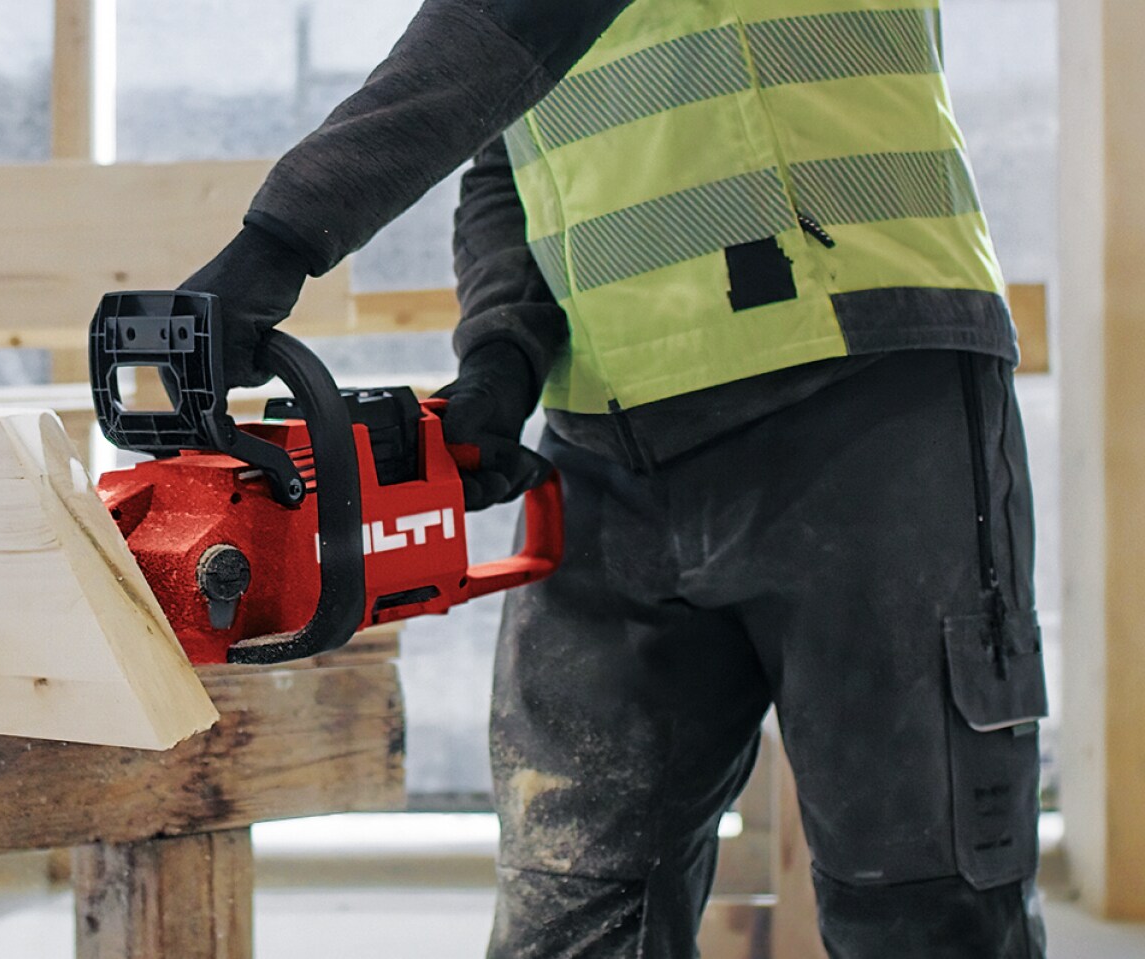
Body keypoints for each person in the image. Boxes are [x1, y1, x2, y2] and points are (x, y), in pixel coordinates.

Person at [178, 1, 1049, 956]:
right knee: (577, 909)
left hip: (866, 398)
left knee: (922, 909)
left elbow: (513, 19)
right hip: (608, 442)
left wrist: (284, 236)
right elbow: (513, 152)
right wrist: (505, 349)